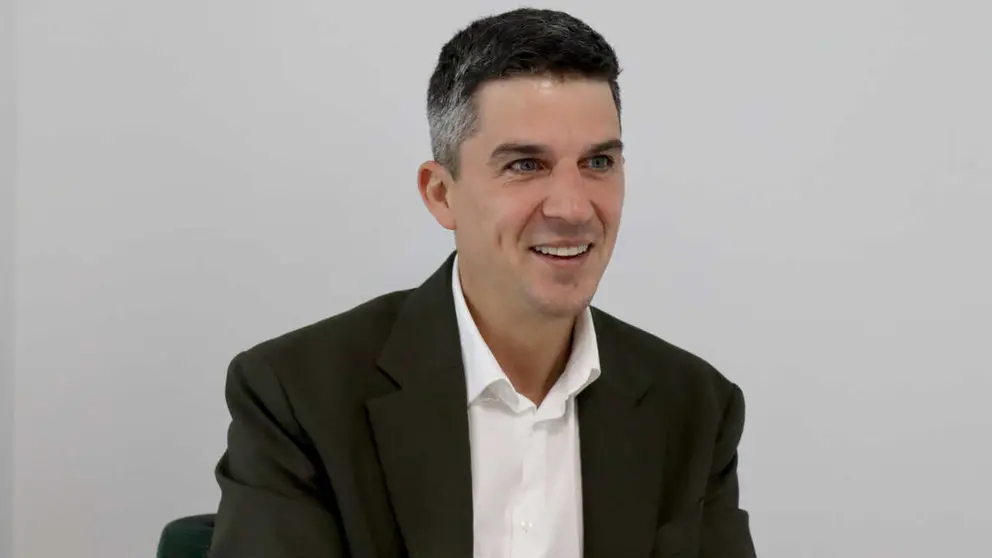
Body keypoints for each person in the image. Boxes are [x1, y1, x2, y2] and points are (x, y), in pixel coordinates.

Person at [208, 7, 756, 558]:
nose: (572, 208)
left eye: (597, 163)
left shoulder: (695, 408)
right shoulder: (298, 396)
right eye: (525, 165)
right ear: (440, 194)